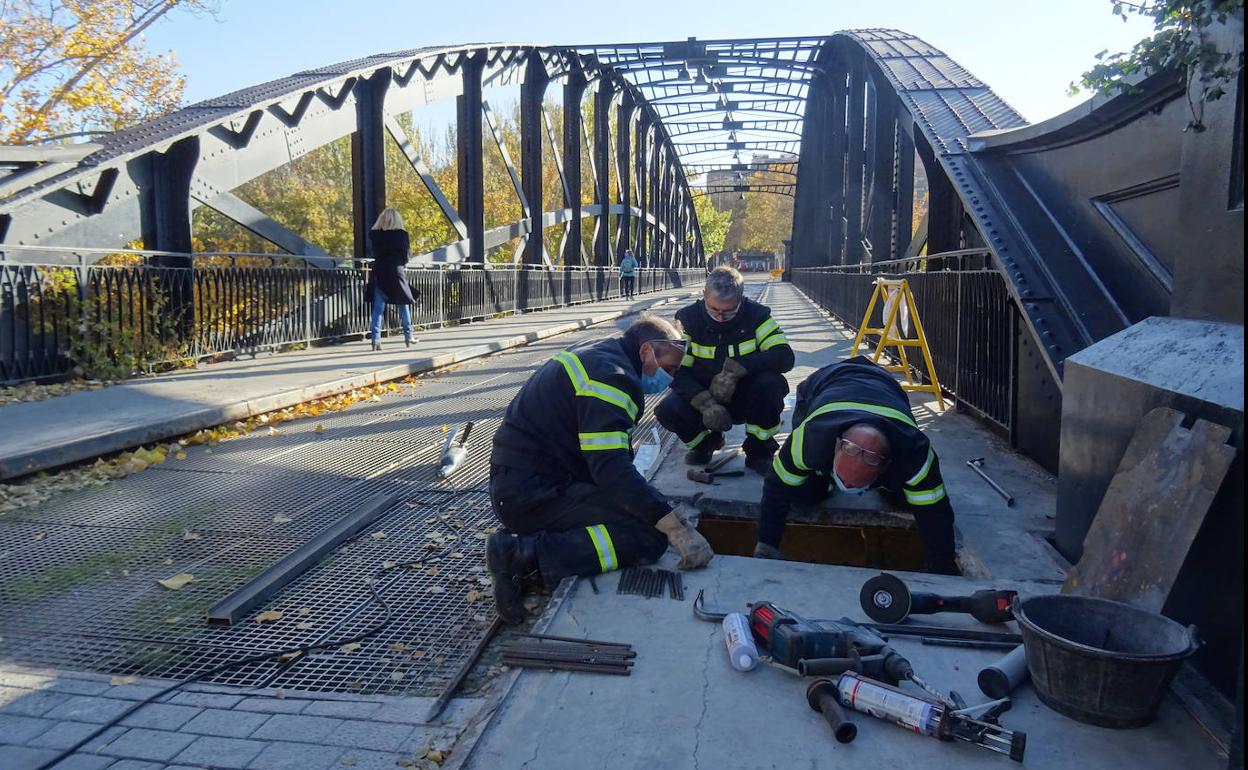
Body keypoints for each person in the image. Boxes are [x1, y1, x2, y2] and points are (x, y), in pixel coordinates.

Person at [486, 314, 712, 624]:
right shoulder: (614, 379)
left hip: (523, 482)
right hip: (531, 493)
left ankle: (534, 538)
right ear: (647, 351)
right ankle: (522, 556)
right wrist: (673, 527)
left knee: (645, 510)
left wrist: (655, 506)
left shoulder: (602, 353)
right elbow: (610, 469)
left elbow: (606, 458)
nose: (670, 378)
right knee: (646, 535)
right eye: (669, 368)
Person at [756, 356, 958, 574]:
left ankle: (883, 488)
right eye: (841, 477)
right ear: (835, 447)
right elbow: (777, 487)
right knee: (805, 495)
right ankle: (822, 482)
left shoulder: (915, 455)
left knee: (906, 500)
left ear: (885, 466)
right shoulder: (809, 439)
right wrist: (767, 544)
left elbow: (934, 511)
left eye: (855, 484)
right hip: (824, 382)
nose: (847, 487)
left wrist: (941, 564)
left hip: (885, 386)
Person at [655, 266, 794, 475]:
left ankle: (759, 450)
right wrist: (705, 403)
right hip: (703, 394)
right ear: (704, 296)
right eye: (714, 310)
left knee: (771, 385)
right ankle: (707, 443)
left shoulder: (757, 316)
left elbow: (784, 356)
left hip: (746, 395)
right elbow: (676, 371)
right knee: (668, 409)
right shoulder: (687, 320)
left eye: (729, 311)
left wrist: (739, 369)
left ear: (741, 299)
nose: (720, 317)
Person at [366, 207, 419, 351]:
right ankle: (409, 336)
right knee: (403, 304)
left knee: (378, 307)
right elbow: (406, 256)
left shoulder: (374, 234)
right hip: (396, 272)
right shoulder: (401, 235)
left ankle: (375, 340)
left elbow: (374, 253)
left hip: (379, 272)